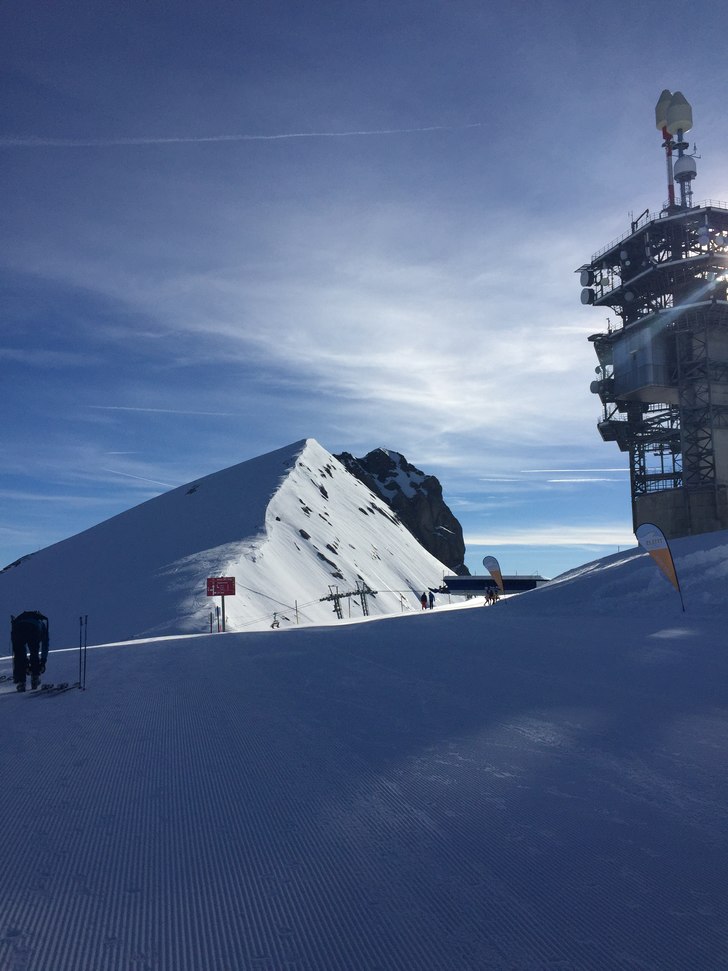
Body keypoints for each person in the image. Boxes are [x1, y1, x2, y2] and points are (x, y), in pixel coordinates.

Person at [11, 611, 49, 692]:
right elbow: (45, 645)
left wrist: (25, 663)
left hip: (17, 629)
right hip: (33, 629)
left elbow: (21, 652)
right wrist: (43, 662)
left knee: (19, 655)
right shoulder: (41, 624)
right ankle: (35, 678)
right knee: (34, 652)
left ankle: (21, 683)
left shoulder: (20, 619)